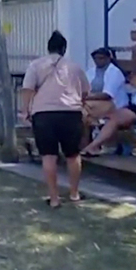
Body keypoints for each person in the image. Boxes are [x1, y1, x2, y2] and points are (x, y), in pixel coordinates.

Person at [20, 31, 91, 208]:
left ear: (48, 47)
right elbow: (85, 91)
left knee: (48, 156)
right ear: (64, 49)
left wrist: (24, 111)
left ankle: (54, 198)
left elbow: (28, 89)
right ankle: (74, 194)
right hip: (70, 112)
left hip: (44, 114)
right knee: (73, 155)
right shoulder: (74, 67)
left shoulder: (35, 65)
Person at [80, 48, 136, 157]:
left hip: (114, 105)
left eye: (101, 58)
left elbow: (107, 95)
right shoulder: (90, 71)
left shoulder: (115, 72)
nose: (98, 61)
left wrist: (87, 97)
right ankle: (85, 145)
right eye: (95, 58)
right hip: (94, 103)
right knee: (81, 113)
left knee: (83, 111)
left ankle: (90, 145)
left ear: (108, 58)